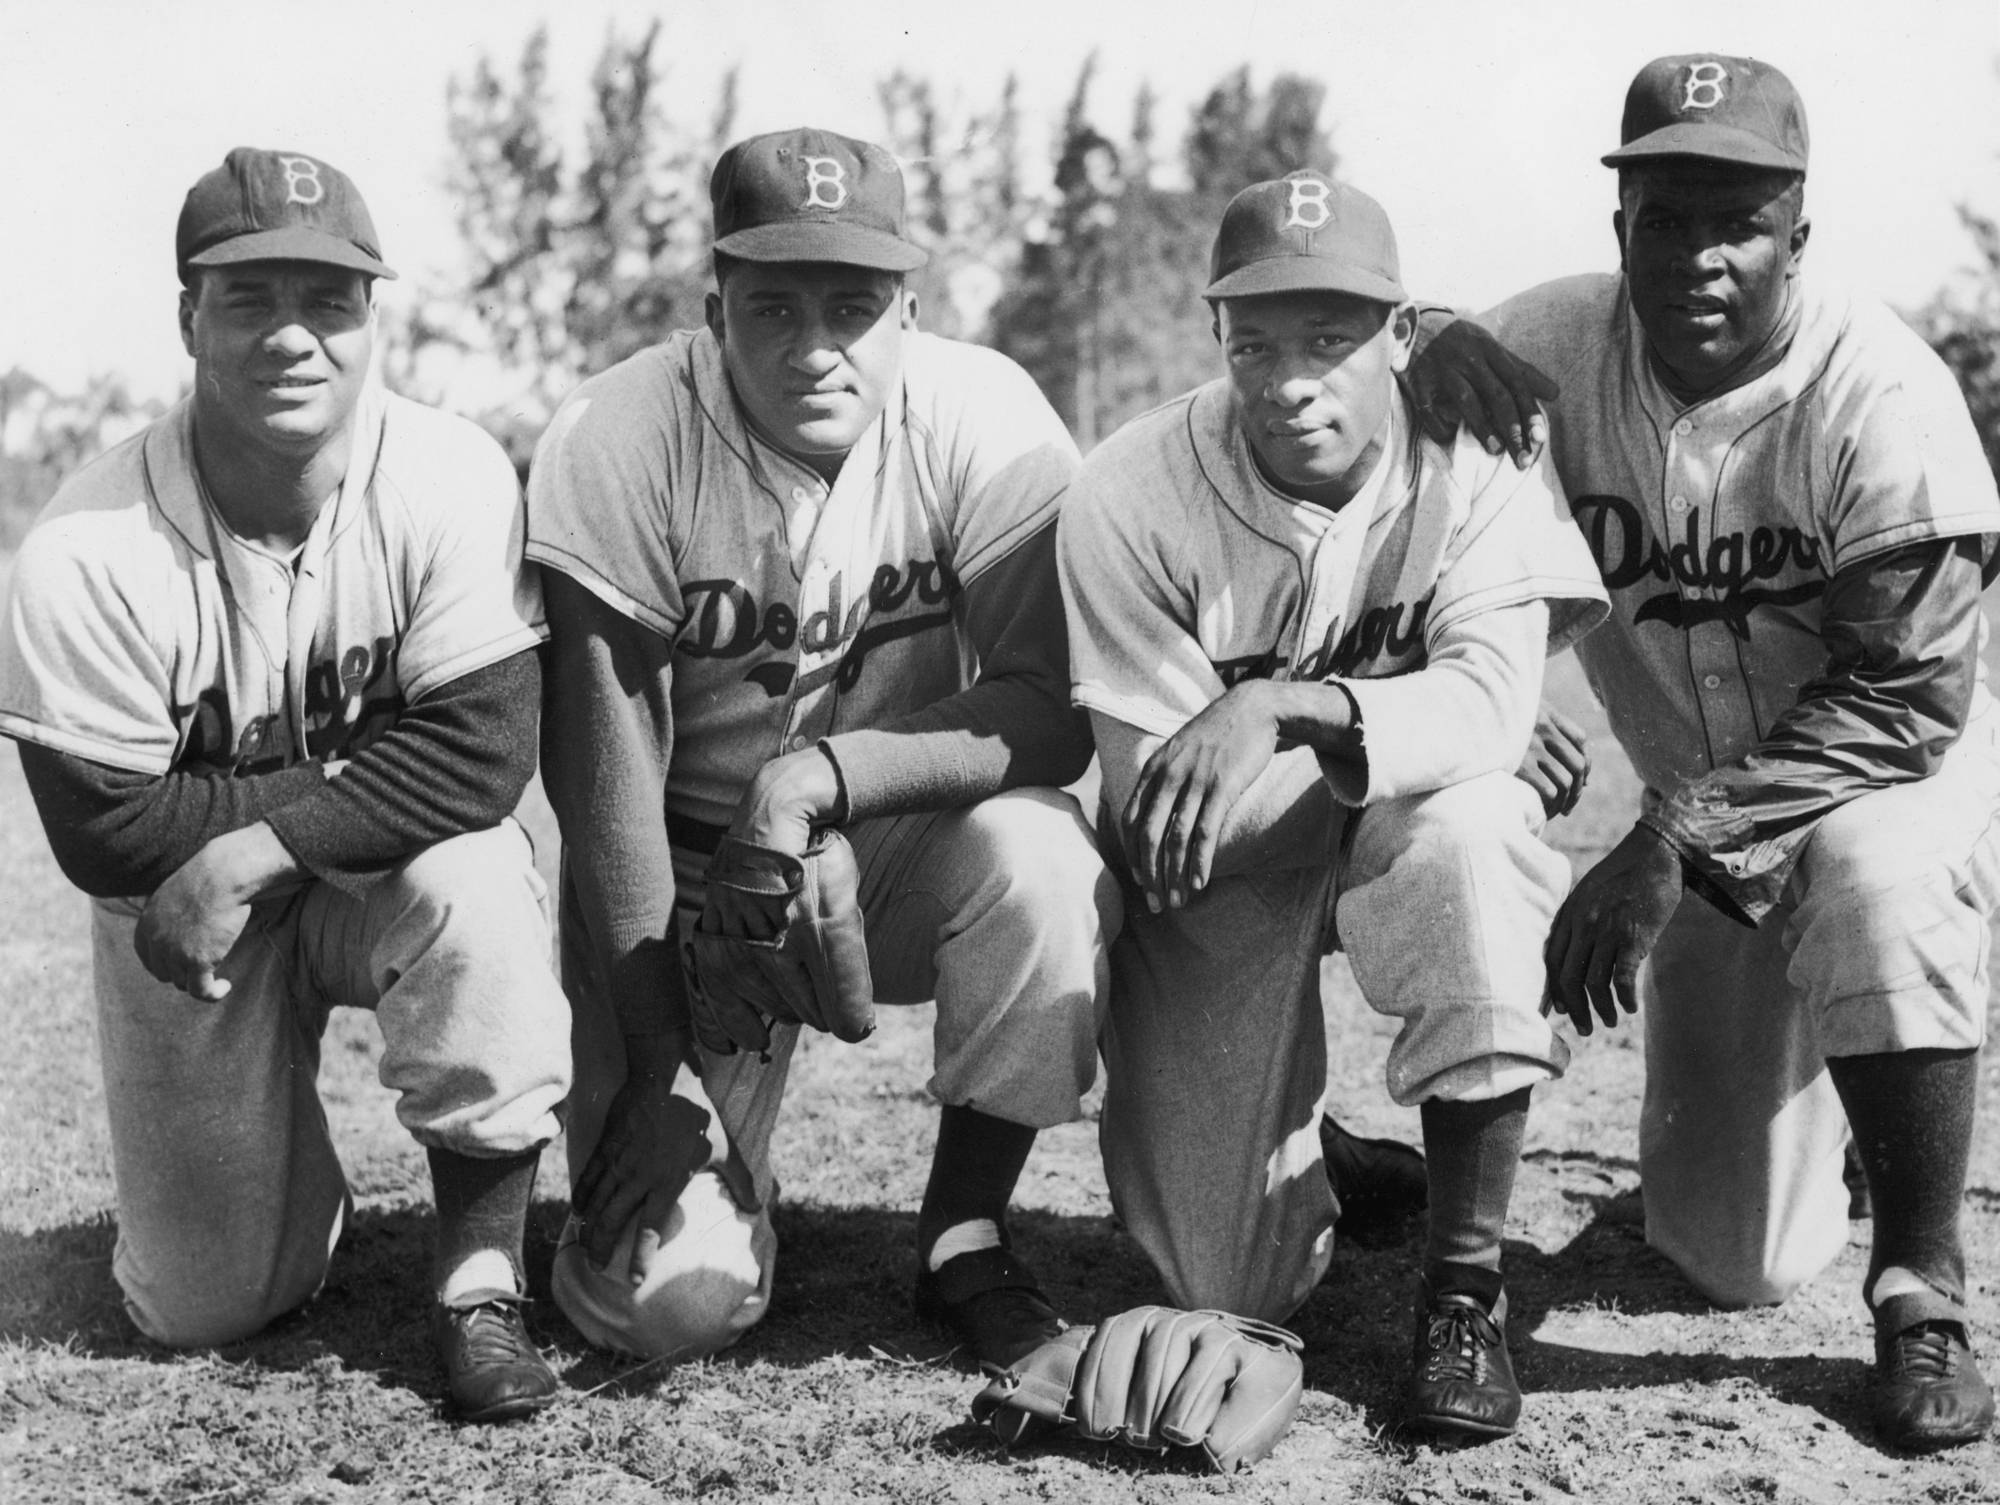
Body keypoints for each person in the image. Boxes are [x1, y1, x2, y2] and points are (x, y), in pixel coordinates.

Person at [1409, 54, 2000, 1452]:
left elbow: (1906, 699)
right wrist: (1418, 332)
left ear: (1800, 232)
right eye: (1664, 218)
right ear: (1618, 229)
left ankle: (1924, 1291)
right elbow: (1371, 373)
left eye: (1736, 221)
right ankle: (1832, 1127)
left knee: (1877, 879)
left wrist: (1672, 832)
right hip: (1706, 818)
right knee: (1730, 1262)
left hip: (1879, 781)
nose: (1697, 256)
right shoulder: (1550, 346)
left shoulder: (1883, 391)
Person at [524, 127, 1122, 1371]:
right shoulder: (620, 429)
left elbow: (1045, 705)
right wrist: (658, 1065)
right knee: (670, 1307)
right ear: (712, 305)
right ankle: (689, 1151)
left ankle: (962, 1234)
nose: (812, 346)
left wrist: (817, 782)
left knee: (1043, 856)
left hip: (888, 846)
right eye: (771, 305)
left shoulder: (977, 408)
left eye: (851, 307)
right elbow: (603, 769)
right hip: (679, 888)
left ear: (908, 309)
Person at [0, 148, 570, 1422]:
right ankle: (275, 1191)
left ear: (374, 321)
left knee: (478, 871)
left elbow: (484, 748)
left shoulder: (447, 471)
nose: (294, 335)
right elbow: (109, 832)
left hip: (325, 876)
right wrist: (343, 797)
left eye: (330, 298)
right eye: (250, 298)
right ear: (188, 316)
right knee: (199, 1305)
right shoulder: (87, 547)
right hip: (179, 917)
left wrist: (254, 842)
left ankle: (480, 1276)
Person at [1057, 170, 1607, 1439]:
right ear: (1215, 339)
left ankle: (1462, 1290)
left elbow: (1487, 703)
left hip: (1383, 818)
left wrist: (1284, 707)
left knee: (1469, 831)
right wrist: (1438, 731)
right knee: (1226, 1284)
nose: (1290, 378)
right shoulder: (1130, 487)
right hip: (1231, 875)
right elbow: (1170, 824)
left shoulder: (1474, 452)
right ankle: (1332, 1155)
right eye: (1256, 341)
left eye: (1330, 338)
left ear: (1401, 338)